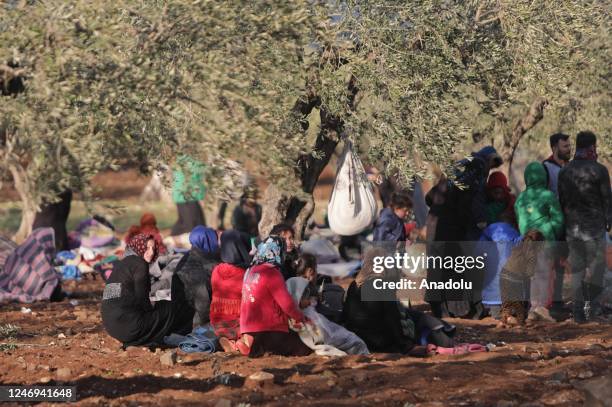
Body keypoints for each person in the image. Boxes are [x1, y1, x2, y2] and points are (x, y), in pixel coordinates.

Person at [425, 146, 502, 318]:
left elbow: (429, 197)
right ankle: (458, 310)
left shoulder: (456, 171)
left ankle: (440, 309)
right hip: (451, 227)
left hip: (434, 222)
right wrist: (482, 222)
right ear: (487, 160)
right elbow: (475, 202)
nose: (490, 170)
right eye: (491, 164)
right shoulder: (476, 172)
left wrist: (442, 207)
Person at [343, 247, 454, 355]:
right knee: (416, 319)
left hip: (359, 337)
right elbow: (392, 319)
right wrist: (406, 346)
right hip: (380, 341)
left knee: (410, 314)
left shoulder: (354, 284)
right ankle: (445, 332)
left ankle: (443, 329)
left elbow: (347, 315)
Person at [101, 234, 194, 347]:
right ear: (138, 247)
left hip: (112, 326)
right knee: (170, 308)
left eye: (153, 248)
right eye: (147, 248)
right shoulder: (140, 264)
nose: (151, 252)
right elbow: (142, 298)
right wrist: (156, 311)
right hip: (130, 326)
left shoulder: (123, 263)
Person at [558, 131, 611, 322]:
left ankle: (578, 313)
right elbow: (607, 200)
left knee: (578, 271)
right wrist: (609, 222)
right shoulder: (599, 170)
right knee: (597, 269)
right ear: (592, 147)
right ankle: (595, 310)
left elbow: (562, 200)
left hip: (573, 228)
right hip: (595, 228)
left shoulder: (565, 171)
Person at [237, 236, 311, 357]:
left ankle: (251, 345)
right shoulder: (272, 273)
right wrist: (301, 318)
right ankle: (260, 349)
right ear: (277, 252)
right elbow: (287, 305)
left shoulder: (250, 271)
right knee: (303, 347)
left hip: (248, 328)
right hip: (269, 328)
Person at [515, 162, 564, 321]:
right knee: (544, 274)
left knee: (532, 276)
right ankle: (541, 309)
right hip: (545, 241)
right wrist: (555, 235)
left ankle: (533, 308)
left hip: (528, 241)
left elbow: (519, 220)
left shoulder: (521, 198)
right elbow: (558, 219)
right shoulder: (547, 195)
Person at [286, 277, 370, 355]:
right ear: (298, 297)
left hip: (337, 338)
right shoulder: (295, 317)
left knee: (355, 341)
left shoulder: (307, 311)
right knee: (355, 343)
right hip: (331, 341)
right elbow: (321, 337)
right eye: (307, 298)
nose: (309, 302)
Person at [542, 133, 571, 316]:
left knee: (561, 264)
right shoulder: (545, 168)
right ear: (554, 148)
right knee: (549, 264)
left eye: (569, 146)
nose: (569, 149)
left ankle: (558, 302)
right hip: (552, 225)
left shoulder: (569, 167)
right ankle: (546, 304)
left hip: (567, 224)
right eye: (565, 146)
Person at [476, 212, 522, 319]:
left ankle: (495, 312)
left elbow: (478, 252)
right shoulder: (515, 234)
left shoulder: (487, 232)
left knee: (493, 299)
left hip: (491, 279)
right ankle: (510, 312)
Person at [210, 230, 251, 347]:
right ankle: (240, 341)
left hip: (217, 324)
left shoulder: (216, 270)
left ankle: (228, 340)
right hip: (239, 323)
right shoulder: (245, 273)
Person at [175, 226, 220, 326]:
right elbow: (203, 307)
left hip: (182, 313)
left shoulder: (190, 257)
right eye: (215, 239)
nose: (217, 243)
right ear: (208, 241)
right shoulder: (196, 268)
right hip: (191, 320)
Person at [171, 156, 206, 236]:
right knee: (193, 226)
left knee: (184, 223)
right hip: (187, 197)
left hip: (183, 196)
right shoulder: (193, 161)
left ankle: (168, 243)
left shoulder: (181, 158)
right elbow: (198, 178)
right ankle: (168, 243)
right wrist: (201, 197)